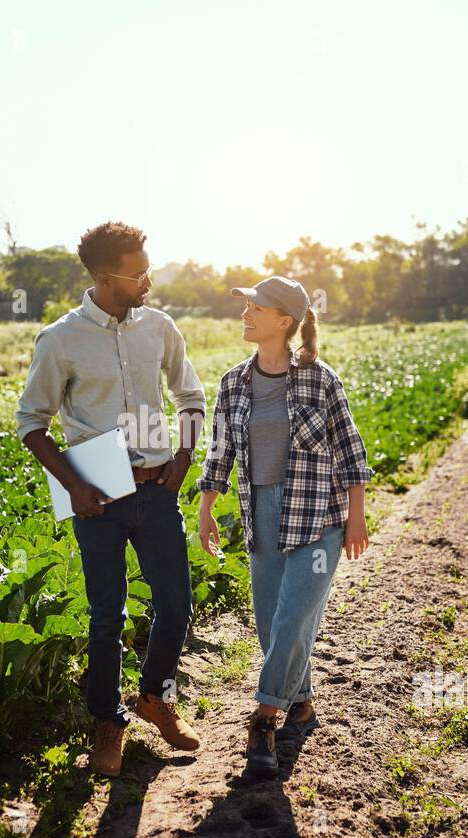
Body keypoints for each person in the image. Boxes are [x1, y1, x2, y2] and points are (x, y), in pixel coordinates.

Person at [16, 221, 206, 778]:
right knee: (107, 615)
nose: (149, 279)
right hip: (98, 497)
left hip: (156, 490)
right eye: (139, 272)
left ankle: (155, 698)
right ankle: (107, 723)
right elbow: (31, 423)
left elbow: (189, 395)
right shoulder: (61, 339)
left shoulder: (159, 327)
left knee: (176, 605)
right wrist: (74, 485)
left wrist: (184, 457)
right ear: (106, 277)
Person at [196, 276, 372, 779]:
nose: (246, 314)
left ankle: (264, 720)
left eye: (257, 307)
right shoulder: (233, 383)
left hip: (317, 517)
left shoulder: (320, 379)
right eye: (246, 306)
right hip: (262, 514)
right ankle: (302, 703)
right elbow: (220, 453)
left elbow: (350, 450)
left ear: (284, 321)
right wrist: (207, 508)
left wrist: (356, 515)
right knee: (270, 623)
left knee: (292, 619)